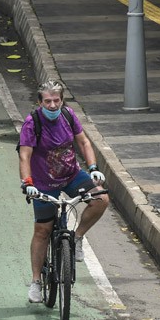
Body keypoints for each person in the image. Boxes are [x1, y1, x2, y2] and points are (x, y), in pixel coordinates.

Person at [18, 80, 108, 303]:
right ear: (40, 102)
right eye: (47, 101)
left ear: (61, 101)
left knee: (101, 199)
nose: (52, 105)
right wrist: (28, 183)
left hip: (70, 175)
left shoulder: (68, 115)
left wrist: (93, 168)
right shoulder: (32, 123)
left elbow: (84, 142)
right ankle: (36, 282)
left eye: (56, 100)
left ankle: (77, 238)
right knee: (42, 231)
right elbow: (25, 156)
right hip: (43, 183)